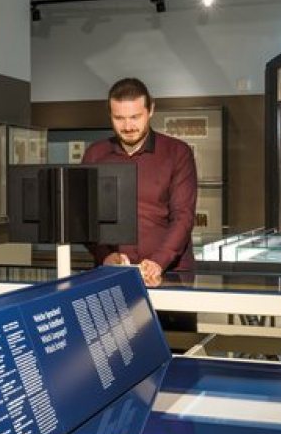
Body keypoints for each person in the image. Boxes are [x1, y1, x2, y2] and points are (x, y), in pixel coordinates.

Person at [82, 78, 198, 334]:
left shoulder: (177, 153)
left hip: (170, 276)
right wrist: (104, 255)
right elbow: (84, 217)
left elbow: (183, 216)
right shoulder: (95, 154)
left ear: (151, 111)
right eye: (119, 118)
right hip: (112, 277)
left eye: (135, 117)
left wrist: (157, 262)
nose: (128, 126)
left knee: (175, 355)